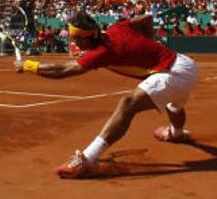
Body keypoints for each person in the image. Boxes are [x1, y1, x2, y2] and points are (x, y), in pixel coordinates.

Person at [14, 9, 199, 179]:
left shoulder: (101, 52)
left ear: (86, 39)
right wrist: (149, 42)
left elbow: (62, 71)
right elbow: (147, 18)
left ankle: (87, 159)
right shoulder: (116, 28)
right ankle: (176, 133)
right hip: (185, 64)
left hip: (173, 72)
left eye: (75, 38)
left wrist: (28, 66)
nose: (73, 42)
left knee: (128, 103)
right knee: (174, 104)